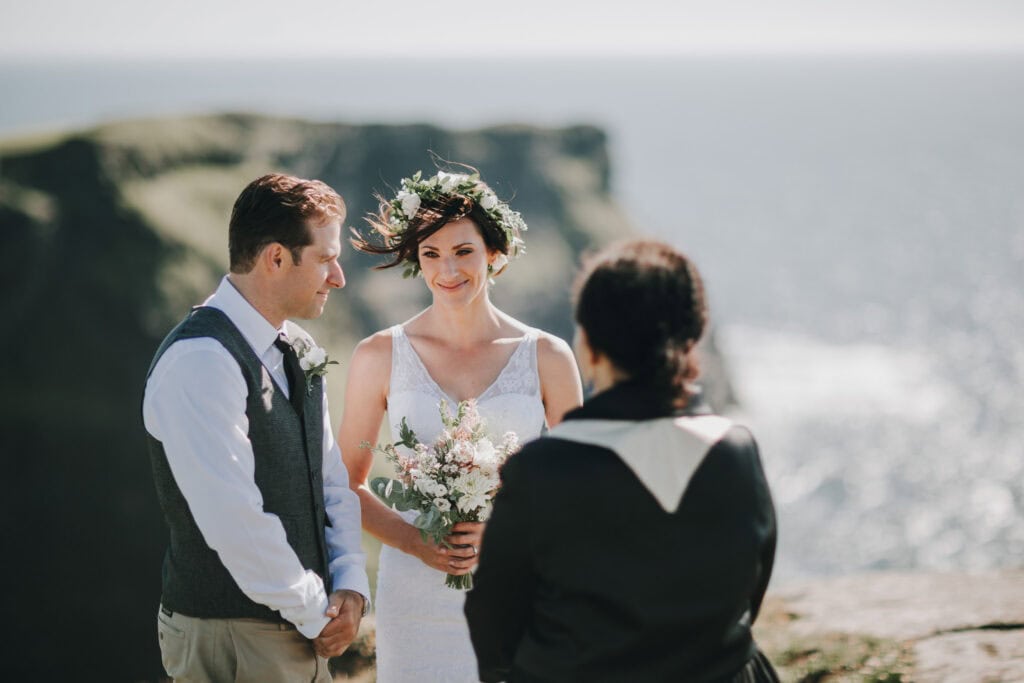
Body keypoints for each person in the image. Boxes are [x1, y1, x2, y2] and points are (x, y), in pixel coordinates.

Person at [465, 239, 780, 682]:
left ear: (589, 346)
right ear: (690, 340)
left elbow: (494, 624)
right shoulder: (735, 451)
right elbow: (750, 597)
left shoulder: (543, 468)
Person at [340, 169, 583, 682]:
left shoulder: (548, 358)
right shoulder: (380, 356)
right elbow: (347, 481)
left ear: (496, 253)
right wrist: (413, 542)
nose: (447, 269)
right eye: (431, 254)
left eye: (464, 251)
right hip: (414, 600)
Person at [143, 173, 371, 682]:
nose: (338, 278)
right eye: (326, 259)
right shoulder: (200, 360)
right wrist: (318, 612)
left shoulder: (302, 350)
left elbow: (330, 482)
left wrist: (352, 585)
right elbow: (235, 520)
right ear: (275, 258)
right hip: (234, 637)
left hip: (301, 631)